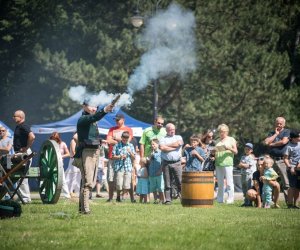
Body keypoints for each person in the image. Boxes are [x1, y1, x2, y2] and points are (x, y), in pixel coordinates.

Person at [73, 100, 114, 214]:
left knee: (88, 181)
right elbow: (94, 117)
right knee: (88, 182)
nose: (94, 108)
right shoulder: (84, 119)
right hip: (86, 152)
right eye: (91, 106)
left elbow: (91, 136)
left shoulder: (92, 120)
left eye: (95, 106)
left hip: (94, 151)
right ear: (84, 106)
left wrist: (102, 141)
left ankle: (82, 208)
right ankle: (85, 209)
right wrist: (105, 110)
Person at [106, 113, 134, 202]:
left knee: (127, 180)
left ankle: (129, 197)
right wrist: (118, 140)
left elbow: (127, 141)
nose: (116, 121)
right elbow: (108, 141)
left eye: (118, 120)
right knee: (111, 179)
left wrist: (115, 139)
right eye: (116, 120)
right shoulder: (112, 129)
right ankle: (110, 198)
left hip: (126, 160)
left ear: (123, 120)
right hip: (112, 157)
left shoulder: (128, 129)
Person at [264, 117, 290, 203]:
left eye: (280, 123)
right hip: (271, 161)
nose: (279, 125)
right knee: (269, 180)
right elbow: (266, 142)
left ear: (284, 124)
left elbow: (284, 142)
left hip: (282, 160)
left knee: (286, 182)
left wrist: (272, 144)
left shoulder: (286, 131)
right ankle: (269, 201)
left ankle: (289, 202)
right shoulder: (272, 133)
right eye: (277, 123)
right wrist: (275, 134)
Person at [12, 110, 35, 204]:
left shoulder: (23, 126)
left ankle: (26, 198)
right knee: (19, 176)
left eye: (15, 116)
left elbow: (32, 136)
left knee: (22, 176)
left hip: (24, 154)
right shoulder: (19, 126)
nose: (13, 118)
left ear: (20, 117)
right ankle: (22, 197)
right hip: (19, 154)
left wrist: (26, 147)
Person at [159, 123, 183, 205]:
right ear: (166, 130)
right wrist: (174, 147)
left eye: (173, 129)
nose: (172, 131)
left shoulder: (178, 137)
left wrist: (166, 146)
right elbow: (162, 148)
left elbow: (178, 144)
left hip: (177, 163)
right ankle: (168, 200)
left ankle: (183, 198)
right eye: (170, 129)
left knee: (179, 182)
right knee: (167, 183)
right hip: (166, 163)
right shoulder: (163, 138)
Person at [214, 124, 238, 204]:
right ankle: (220, 200)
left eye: (223, 131)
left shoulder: (231, 139)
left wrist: (229, 148)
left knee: (229, 182)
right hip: (218, 163)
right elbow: (215, 151)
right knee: (220, 183)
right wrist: (213, 152)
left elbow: (236, 151)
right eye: (220, 131)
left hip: (228, 163)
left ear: (227, 132)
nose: (222, 133)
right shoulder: (217, 140)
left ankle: (230, 199)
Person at [112, 131, 135, 202]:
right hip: (119, 167)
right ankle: (118, 196)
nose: (125, 141)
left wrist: (130, 152)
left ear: (128, 139)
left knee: (126, 184)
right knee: (119, 184)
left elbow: (134, 157)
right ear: (121, 138)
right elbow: (113, 156)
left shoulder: (131, 145)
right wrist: (120, 156)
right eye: (124, 139)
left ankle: (123, 198)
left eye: (126, 140)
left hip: (128, 167)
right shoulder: (117, 145)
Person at [49, 132, 71, 199]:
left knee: (63, 180)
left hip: (60, 164)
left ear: (58, 138)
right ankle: (52, 195)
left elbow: (68, 154)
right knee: (51, 180)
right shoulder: (49, 143)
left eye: (55, 138)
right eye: (52, 138)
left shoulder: (63, 144)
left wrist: (60, 156)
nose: (54, 139)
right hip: (51, 164)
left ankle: (67, 196)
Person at [283, 130, 300, 208]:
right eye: (298, 137)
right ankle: (290, 204)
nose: (299, 138)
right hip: (292, 169)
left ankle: (296, 204)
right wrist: (290, 167)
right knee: (292, 186)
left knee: (298, 187)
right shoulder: (288, 146)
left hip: (299, 168)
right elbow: (285, 159)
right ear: (293, 138)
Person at [148, 139, 165, 204]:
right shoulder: (151, 152)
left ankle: (162, 200)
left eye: (153, 144)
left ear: (157, 145)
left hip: (159, 173)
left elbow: (162, 163)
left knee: (160, 187)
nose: (152, 146)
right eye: (151, 144)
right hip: (152, 173)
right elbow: (149, 161)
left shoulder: (161, 153)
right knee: (153, 187)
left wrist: (160, 170)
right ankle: (156, 200)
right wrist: (150, 156)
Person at [65, 133, 81, 197]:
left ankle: (75, 190)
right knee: (73, 175)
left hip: (76, 159)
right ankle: (70, 191)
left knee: (77, 176)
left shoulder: (78, 141)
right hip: (73, 159)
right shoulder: (73, 141)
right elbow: (74, 151)